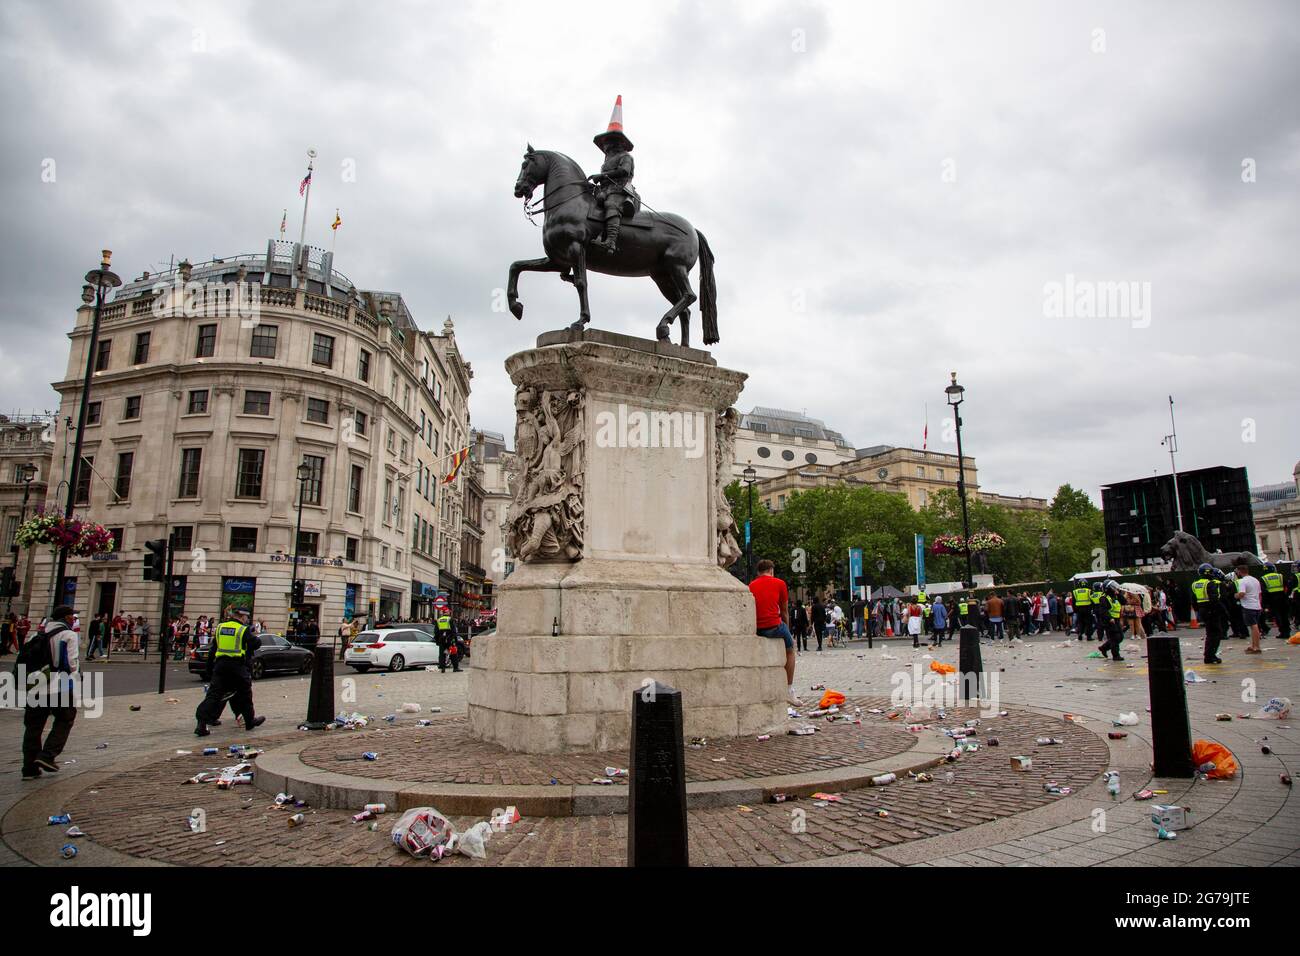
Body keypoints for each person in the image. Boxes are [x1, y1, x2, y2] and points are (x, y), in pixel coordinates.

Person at [20, 604, 80, 780]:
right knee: (65, 719)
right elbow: (71, 664)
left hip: (35, 686)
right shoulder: (68, 635)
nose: (74, 619)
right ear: (66, 618)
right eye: (73, 617)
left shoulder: (36, 635)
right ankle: (47, 755)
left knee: (33, 726)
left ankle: (29, 768)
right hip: (58, 685)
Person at [195, 607, 264, 736]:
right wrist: (255, 636)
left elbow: (213, 649)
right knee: (245, 694)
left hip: (220, 666)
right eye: (246, 617)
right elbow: (256, 643)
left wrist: (209, 668)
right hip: (237, 666)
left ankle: (201, 723)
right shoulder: (243, 629)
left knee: (213, 695)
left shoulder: (220, 628)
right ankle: (249, 721)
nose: (247, 620)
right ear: (242, 616)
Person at [588, 96, 636, 254]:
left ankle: (611, 242)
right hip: (606, 191)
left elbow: (624, 172)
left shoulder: (625, 157)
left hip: (620, 191)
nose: (605, 145)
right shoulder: (608, 160)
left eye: (608, 142)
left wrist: (602, 176)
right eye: (604, 143)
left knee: (611, 205)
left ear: (617, 143)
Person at [748, 559, 799, 705]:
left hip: (758, 628)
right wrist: (787, 630)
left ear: (758, 572)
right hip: (774, 626)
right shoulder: (780, 583)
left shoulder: (751, 585)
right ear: (771, 570)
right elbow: (784, 611)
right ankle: (789, 689)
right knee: (790, 650)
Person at [1191, 564, 1225, 664]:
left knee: (1209, 633)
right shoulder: (1210, 584)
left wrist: (1199, 610)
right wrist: (1223, 612)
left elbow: (1193, 601)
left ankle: (1208, 655)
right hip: (1212, 610)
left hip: (1202, 610)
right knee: (1216, 634)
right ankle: (1211, 655)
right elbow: (1215, 600)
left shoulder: (1195, 584)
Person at [1235, 562, 1264, 654]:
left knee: (1253, 626)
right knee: (1254, 626)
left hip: (1248, 606)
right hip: (1256, 605)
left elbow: (1242, 594)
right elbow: (1259, 594)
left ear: (1240, 572)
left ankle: (1257, 647)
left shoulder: (1243, 581)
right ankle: (1253, 645)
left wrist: (1236, 595)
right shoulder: (1255, 580)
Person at [1260, 562, 1291, 639]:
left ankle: (1282, 632)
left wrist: (1264, 603)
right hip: (1282, 598)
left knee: (1277, 616)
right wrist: (1286, 595)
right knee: (1284, 616)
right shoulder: (1280, 576)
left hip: (1272, 600)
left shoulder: (1263, 578)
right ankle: (1287, 631)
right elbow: (1287, 586)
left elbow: (1263, 591)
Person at [1096, 582, 1125, 662]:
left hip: (1116, 619)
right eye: (1113, 587)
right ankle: (1116, 656)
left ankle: (1103, 648)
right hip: (1109, 621)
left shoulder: (1115, 596)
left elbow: (1124, 602)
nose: (1115, 588)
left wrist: (1119, 594)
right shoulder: (1104, 598)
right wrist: (1109, 618)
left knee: (1120, 637)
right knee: (1115, 638)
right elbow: (1103, 610)